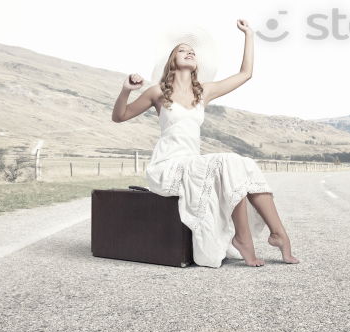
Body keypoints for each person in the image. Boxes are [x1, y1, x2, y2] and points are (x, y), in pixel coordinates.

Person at [111, 18, 299, 267]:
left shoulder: (204, 91)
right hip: (167, 166)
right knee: (229, 161)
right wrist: (126, 90)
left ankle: (280, 236)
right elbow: (119, 116)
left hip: (193, 163)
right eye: (182, 50)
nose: (189, 52)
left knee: (246, 164)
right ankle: (243, 240)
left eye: (192, 52)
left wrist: (249, 35)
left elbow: (246, 74)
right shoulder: (157, 92)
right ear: (171, 61)